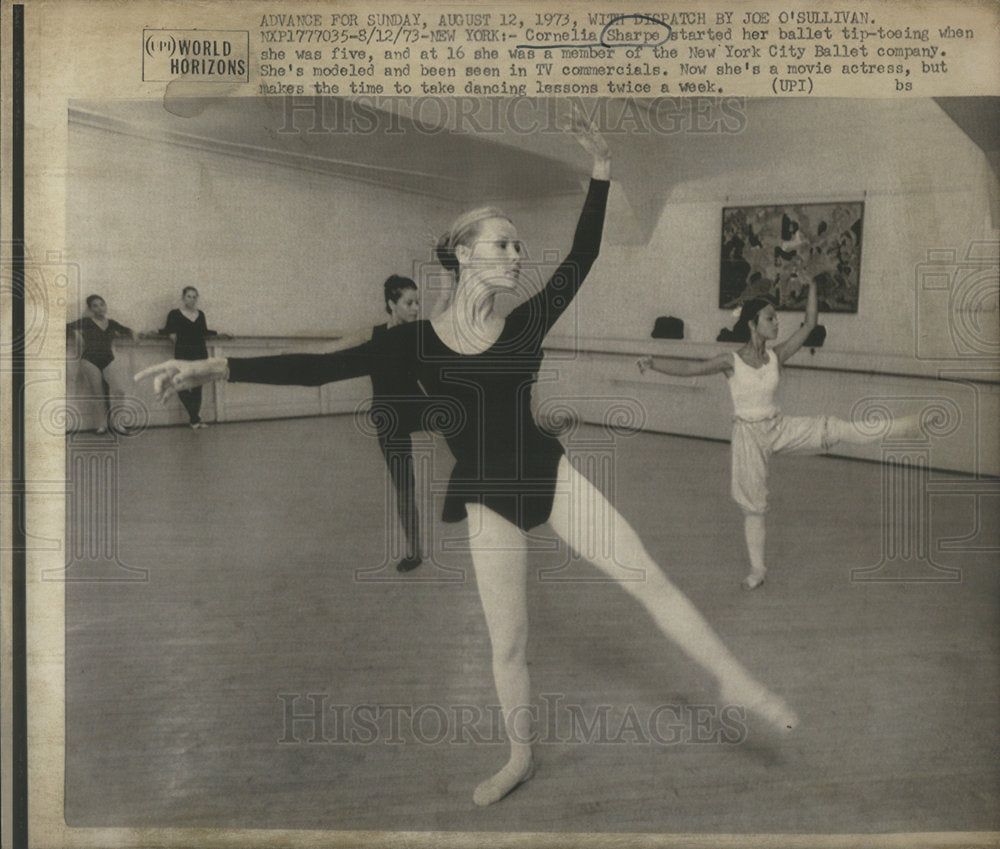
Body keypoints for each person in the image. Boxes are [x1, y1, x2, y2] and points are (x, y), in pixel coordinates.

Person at [137, 112, 797, 807]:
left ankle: (732, 677)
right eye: (503, 244)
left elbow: (582, 258)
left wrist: (602, 173)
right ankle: (520, 755)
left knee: (650, 580)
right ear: (463, 255)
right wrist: (217, 368)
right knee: (509, 643)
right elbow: (318, 368)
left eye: (517, 245)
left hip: (550, 475)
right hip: (485, 493)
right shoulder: (412, 341)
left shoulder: (525, 325)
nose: (517, 255)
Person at [638, 275, 919, 590]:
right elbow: (690, 370)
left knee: (835, 428)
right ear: (753, 324)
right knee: (754, 506)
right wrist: (654, 363)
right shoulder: (730, 361)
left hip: (778, 427)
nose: (776, 324)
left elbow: (810, 324)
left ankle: (902, 427)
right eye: (770, 318)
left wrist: (812, 283)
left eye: (776, 318)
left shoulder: (776, 356)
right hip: (747, 437)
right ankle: (758, 570)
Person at [331, 275, 427, 572]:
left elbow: (446, 314)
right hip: (389, 416)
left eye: (417, 302)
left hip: (419, 407)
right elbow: (334, 351)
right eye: (408, 303)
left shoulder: (419, 333)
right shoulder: (373, 336)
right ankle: (415, 551)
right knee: (404, 485)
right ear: (391, 304)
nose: (415, 309)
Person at [145, 287, 230, 429]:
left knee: (197, 385)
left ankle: (194, 420)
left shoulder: (200, 314)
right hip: (183, 353)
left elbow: (203, 331)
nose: (192, 299)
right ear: (183, 298)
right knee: (181, 384)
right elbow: (169, 330)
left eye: (194, 297)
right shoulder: (174, 314)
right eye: (189, 296)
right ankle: (194, 418)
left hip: (200, 352)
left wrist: (221, 334)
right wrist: (153, 332)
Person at [66, 294, 135, 434]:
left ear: (106, 306)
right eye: (95, 306)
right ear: (91, 309)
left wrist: (134, 334)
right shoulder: (86, 321)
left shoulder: (112, 323)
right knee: (98, 394)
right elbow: (67, 327)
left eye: (102, 304)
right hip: (89, 360)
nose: (100, 308)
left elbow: (127, 330)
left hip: (108, 359)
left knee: (119, 391)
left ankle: (117, 422)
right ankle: (102, 424)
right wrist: (72, 337)